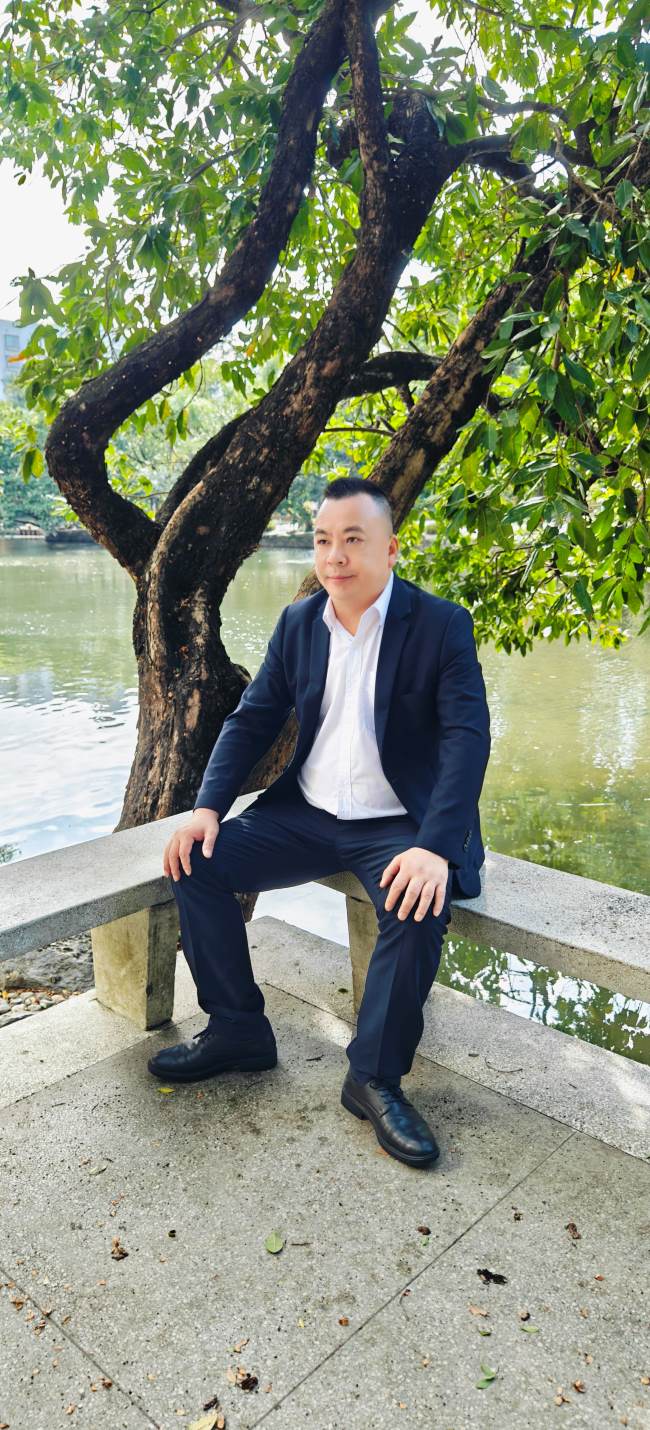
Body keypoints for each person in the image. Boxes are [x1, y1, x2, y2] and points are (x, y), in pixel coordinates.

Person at [152, 477, 491, 1169]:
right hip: (306, 814)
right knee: (196, 860)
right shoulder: (300, 623)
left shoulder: (441, 625)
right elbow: (252, 719)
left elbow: (467, 739)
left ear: (390, 549)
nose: (335, 555)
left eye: (353, 539)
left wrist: (434, 847)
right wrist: (207, 808)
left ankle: (373, 1078)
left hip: (399, 823)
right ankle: (238, 1029)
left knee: (418, 905)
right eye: (323, 540)